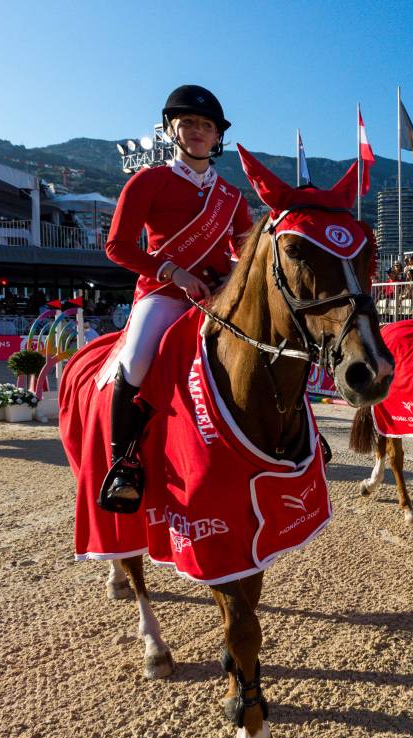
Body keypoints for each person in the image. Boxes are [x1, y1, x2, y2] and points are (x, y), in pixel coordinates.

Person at [99, 85, 252, 512]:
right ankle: (124, 464)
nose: (198, 131)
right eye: (189, 123)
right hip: (164, 293)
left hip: (218, 296)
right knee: (137, 361)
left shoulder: (232, 197)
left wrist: (235, 277)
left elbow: (245, 252)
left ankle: (301, 438)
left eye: (207, 126)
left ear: (217, 137)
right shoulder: (148, 180)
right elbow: (118, 246)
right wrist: (172, 271)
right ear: (172, 130)